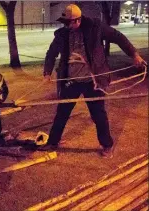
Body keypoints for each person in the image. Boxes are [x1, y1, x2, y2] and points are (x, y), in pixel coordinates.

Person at [40, 4, 147, 158]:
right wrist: (47, 72)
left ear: (77, 21)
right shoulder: (63, 34)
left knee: (98, 114)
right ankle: (52, 142)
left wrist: (134, 55)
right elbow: (51, 53)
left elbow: (117, 37)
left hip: (93, 81)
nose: (66, 26)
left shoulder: (95, 27)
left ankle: (107, 145)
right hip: (71, 81)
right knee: (62, 113)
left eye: (68, 22)